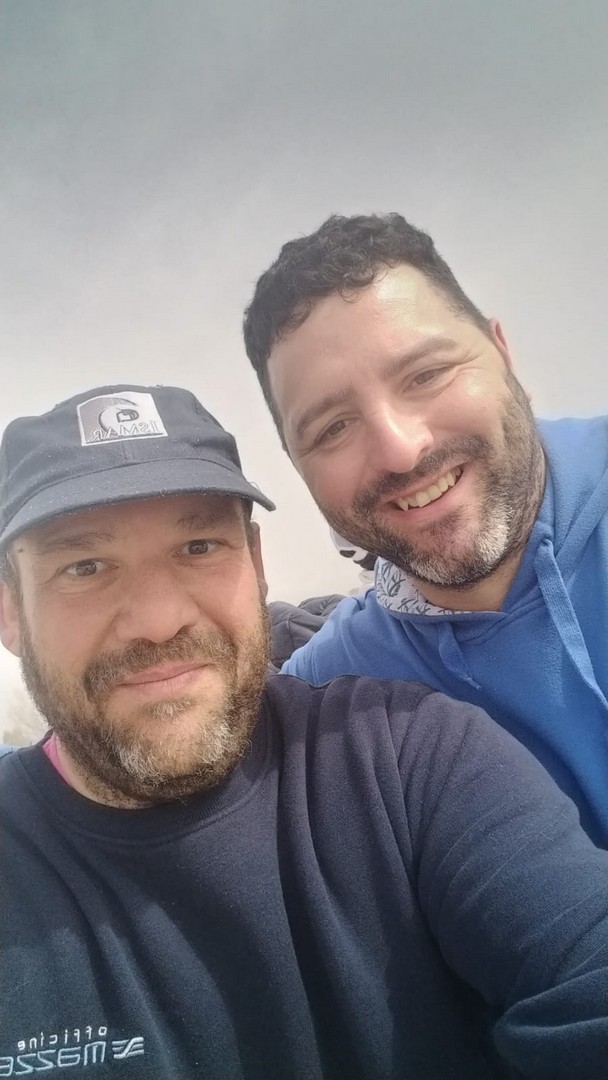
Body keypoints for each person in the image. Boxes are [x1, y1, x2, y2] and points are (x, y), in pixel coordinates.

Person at [1, 384, 608, 1080]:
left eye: (199, 545)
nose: (160, 620)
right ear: (11, 612)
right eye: (84, 567)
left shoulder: (412, 759)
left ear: (255, 564)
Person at [243, 212, 608, 846]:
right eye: (333, 428)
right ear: (299, 469)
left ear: (502, 351)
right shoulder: (333, 688)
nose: (401, 450)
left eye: (426, 375)